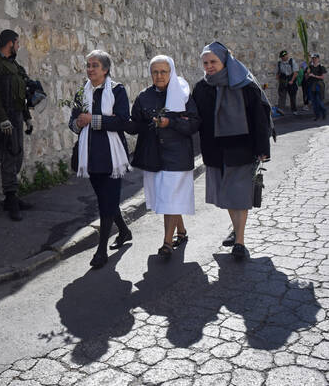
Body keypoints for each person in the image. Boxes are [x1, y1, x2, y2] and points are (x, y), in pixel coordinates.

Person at [193, 42, 272, 259]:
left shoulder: (244, 85)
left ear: (225, 61)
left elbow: (259, 118)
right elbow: (194, 118)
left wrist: (262, 148)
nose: (209, 66)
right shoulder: (201, 88)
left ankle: (240, 241)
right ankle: (236, 230)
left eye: (213, 62)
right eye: (205, 62)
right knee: (228, 195)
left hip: (242, 148)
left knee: (239, 195)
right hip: (215, 150)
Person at [124, 55, 200, 258]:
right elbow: (136, 124)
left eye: (163, 71)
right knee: (166, 199)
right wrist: (119, 121)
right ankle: (181, 231)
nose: (159, 76)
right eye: (155, 72)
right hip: (154, 155)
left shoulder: (183, 95)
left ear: (171, 72)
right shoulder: (144, 96)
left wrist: (171, 123)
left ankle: (167, 243)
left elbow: (193, 124)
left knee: (170, 198)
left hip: (178, 155)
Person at [68, 50, 132, 268]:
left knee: (107, 201)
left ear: (105, 69)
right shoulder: (81, 92)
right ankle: (124, 231)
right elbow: (72, 123)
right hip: (90, 156)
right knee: (107, 199)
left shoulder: (117, 90)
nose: (90, 69)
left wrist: (93, 120)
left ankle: (101, 250)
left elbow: (122, 121)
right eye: (88, 65)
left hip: (111, 156)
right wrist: (79, 123)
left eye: (94, 65)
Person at [0, 30, 34, 221]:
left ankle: (13, 196)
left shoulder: (14, 66)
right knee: (9, 156)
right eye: (17, 43)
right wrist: (2, 118)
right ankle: (10, 199)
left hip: (17, 116)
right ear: (10, 43)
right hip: (5, 118)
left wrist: (27, 117)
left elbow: (22, 95)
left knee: (17, 156)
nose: (18, 46)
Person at [276, 50, 298, 115]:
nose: (283, 58)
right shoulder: (280, 63)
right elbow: (278, 72)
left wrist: (292, 81)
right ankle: (281, 109)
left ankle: (294, 110)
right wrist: (278, 77)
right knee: (282, 95)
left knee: (292, 96)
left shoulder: (292, 62)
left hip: (291, 80)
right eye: (282, 57)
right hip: (283, 80)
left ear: (287, 55)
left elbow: (295, 72)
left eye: (284, 56)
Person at [306, 53, 327, 121]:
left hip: (319, 85)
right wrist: (307, 73)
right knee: (314, 102)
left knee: (319, 101)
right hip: (311, 85)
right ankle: (317, 116)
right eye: (313, 58)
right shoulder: (310, 67)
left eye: (315, 58)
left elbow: (323, 77)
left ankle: (324, 112)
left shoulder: (321, 66)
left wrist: (314, 76)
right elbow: (306, 77)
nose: (314, 59)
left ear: (318, 59)